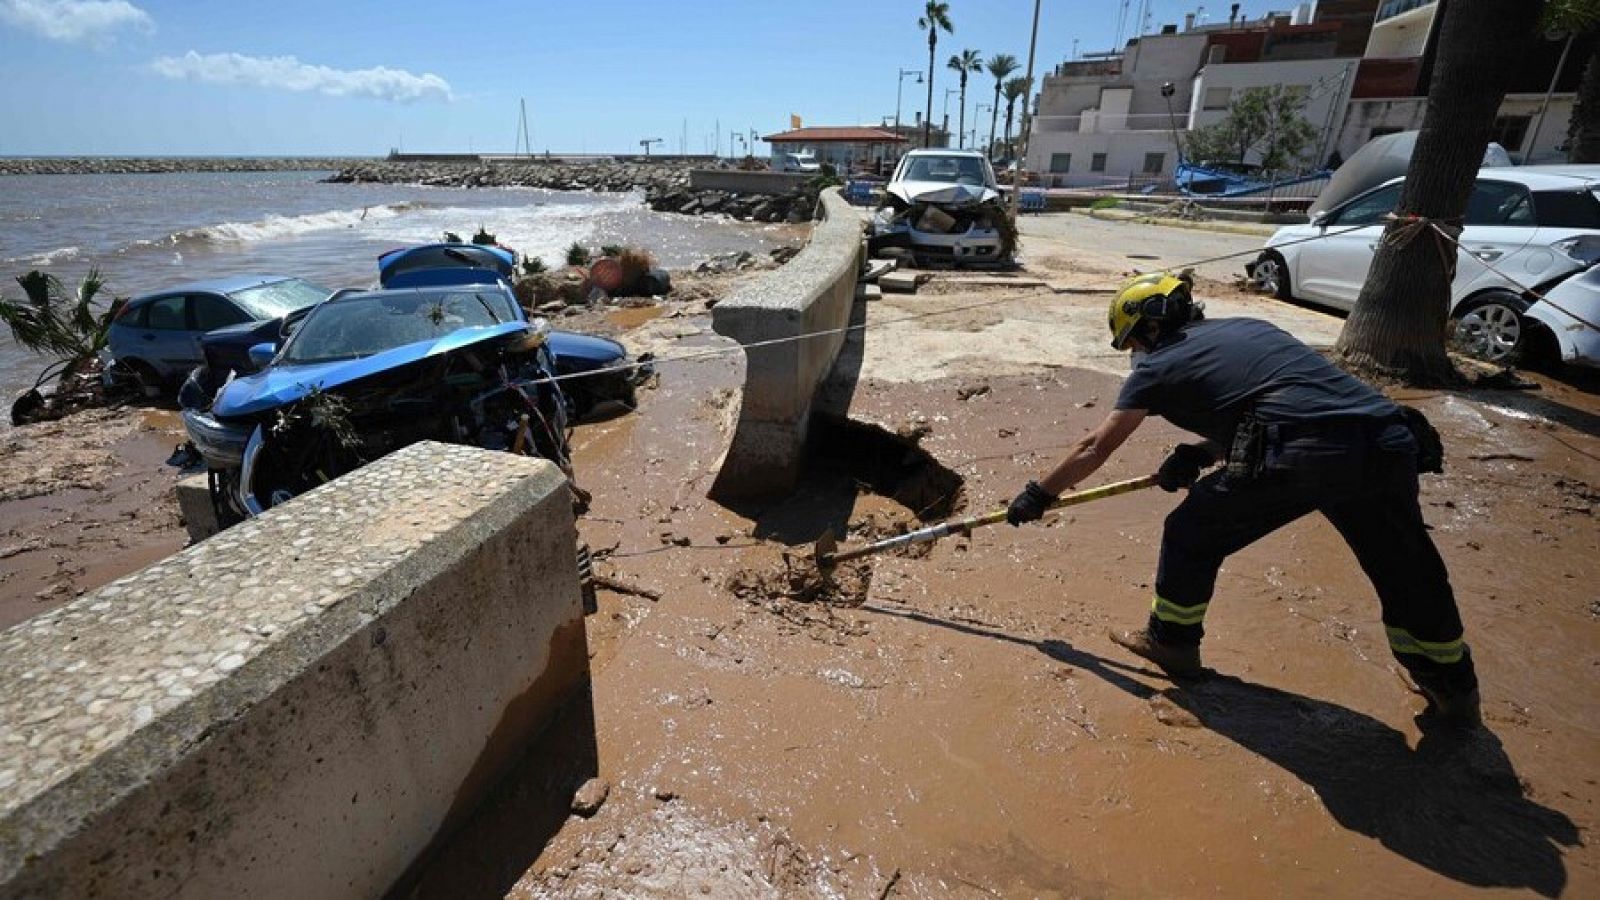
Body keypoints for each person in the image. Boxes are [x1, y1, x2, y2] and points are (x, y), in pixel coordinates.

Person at [1006, 272, 1480, 729]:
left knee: (1192, 531)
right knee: (1406, 569)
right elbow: (1284, 401)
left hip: (1310, 453)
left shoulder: (1157, 365)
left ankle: (1171, 643)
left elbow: (1097, 446)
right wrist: (1202, 453)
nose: (1134, 354)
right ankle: (1453, 690)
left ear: (1150, 326)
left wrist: (1039, 493)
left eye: (1131, 341)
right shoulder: (1252, 328)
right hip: (1388, 440)